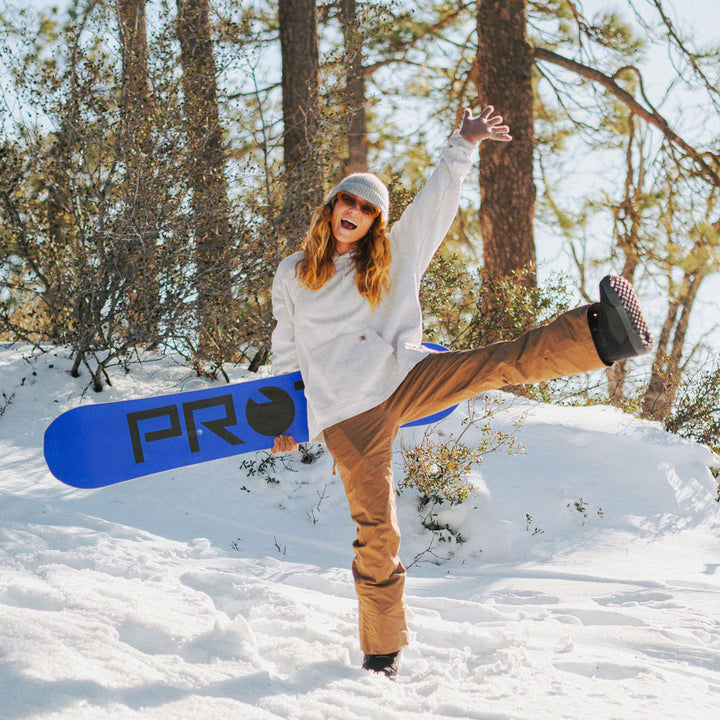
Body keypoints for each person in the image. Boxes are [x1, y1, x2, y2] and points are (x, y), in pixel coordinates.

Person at [269, 106, 653, 678]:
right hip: (347, 416)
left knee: (497, 364)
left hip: (402, 378)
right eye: (347, 202)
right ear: (331, 209)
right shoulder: (293, 273)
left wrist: (464, 143)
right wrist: (285, 424)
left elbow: (433, 208)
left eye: (368, 209)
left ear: (376, 221)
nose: (354, 212)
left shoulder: (392, 259)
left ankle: (604, 333)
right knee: (378, 533)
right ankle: (381, 656)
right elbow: (287, 351)